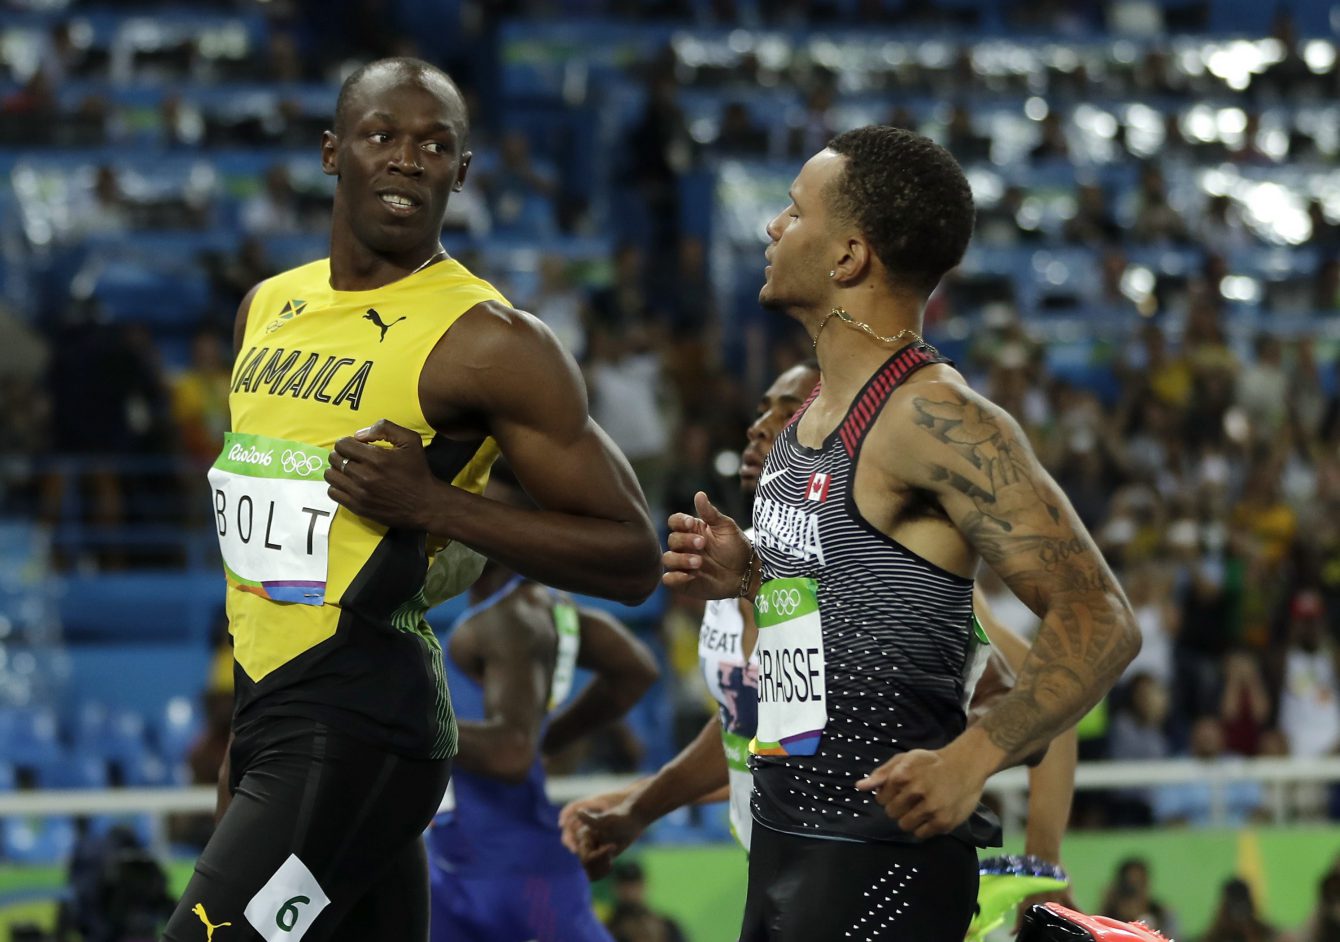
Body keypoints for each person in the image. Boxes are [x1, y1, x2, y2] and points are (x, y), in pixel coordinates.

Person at [164, 57, 660, 941]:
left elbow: (631, 554)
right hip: (277, 711)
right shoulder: (266, 309)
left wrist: (439, 508)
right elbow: (269, 574)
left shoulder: (492, 341)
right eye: (381, 135)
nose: (406, 158)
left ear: (461, 174)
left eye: (435, 145)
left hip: (360, 722)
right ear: (331, 153)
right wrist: (246, 739)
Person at [662, 125, 1139, 941]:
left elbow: (1102, 619)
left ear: (849, 257)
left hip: (881, 870)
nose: (774, 228)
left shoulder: (934, 415)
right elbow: (836, 612)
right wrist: (749, 576)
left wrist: (974, 757)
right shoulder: (810, 411)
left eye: (793, 211)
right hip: (783, 843)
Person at [561, 360, 1078, 927]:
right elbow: (753, 733)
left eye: (790, 411)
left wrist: (1040, 856)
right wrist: (639, 806)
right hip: (785, 862)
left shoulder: (882, 566)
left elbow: (1043, 700)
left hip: (880, 868)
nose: (763, 425)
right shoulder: (736, 564)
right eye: (763, 408)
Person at [427, 471, 660, 942]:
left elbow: (511, 753)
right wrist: (549, 737)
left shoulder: (509, 617)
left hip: (501, 861)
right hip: (482, 853)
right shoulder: (549, 607)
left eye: (479, 508)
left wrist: (407, 722)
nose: (462, 519)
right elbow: (635, 670)